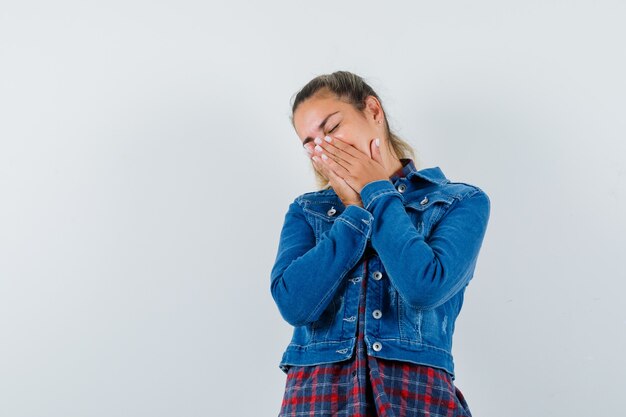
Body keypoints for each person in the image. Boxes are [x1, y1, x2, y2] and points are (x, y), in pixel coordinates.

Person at [270, 71, 490, 417]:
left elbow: (423, 287)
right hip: (316, 400)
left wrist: (376, 192)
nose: (323, 147)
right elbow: (294, 305)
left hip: (417, 400)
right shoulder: (306, 210)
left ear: (373, 111)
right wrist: (354, 214)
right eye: (310, 142)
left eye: (331, 128)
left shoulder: (460, 202)